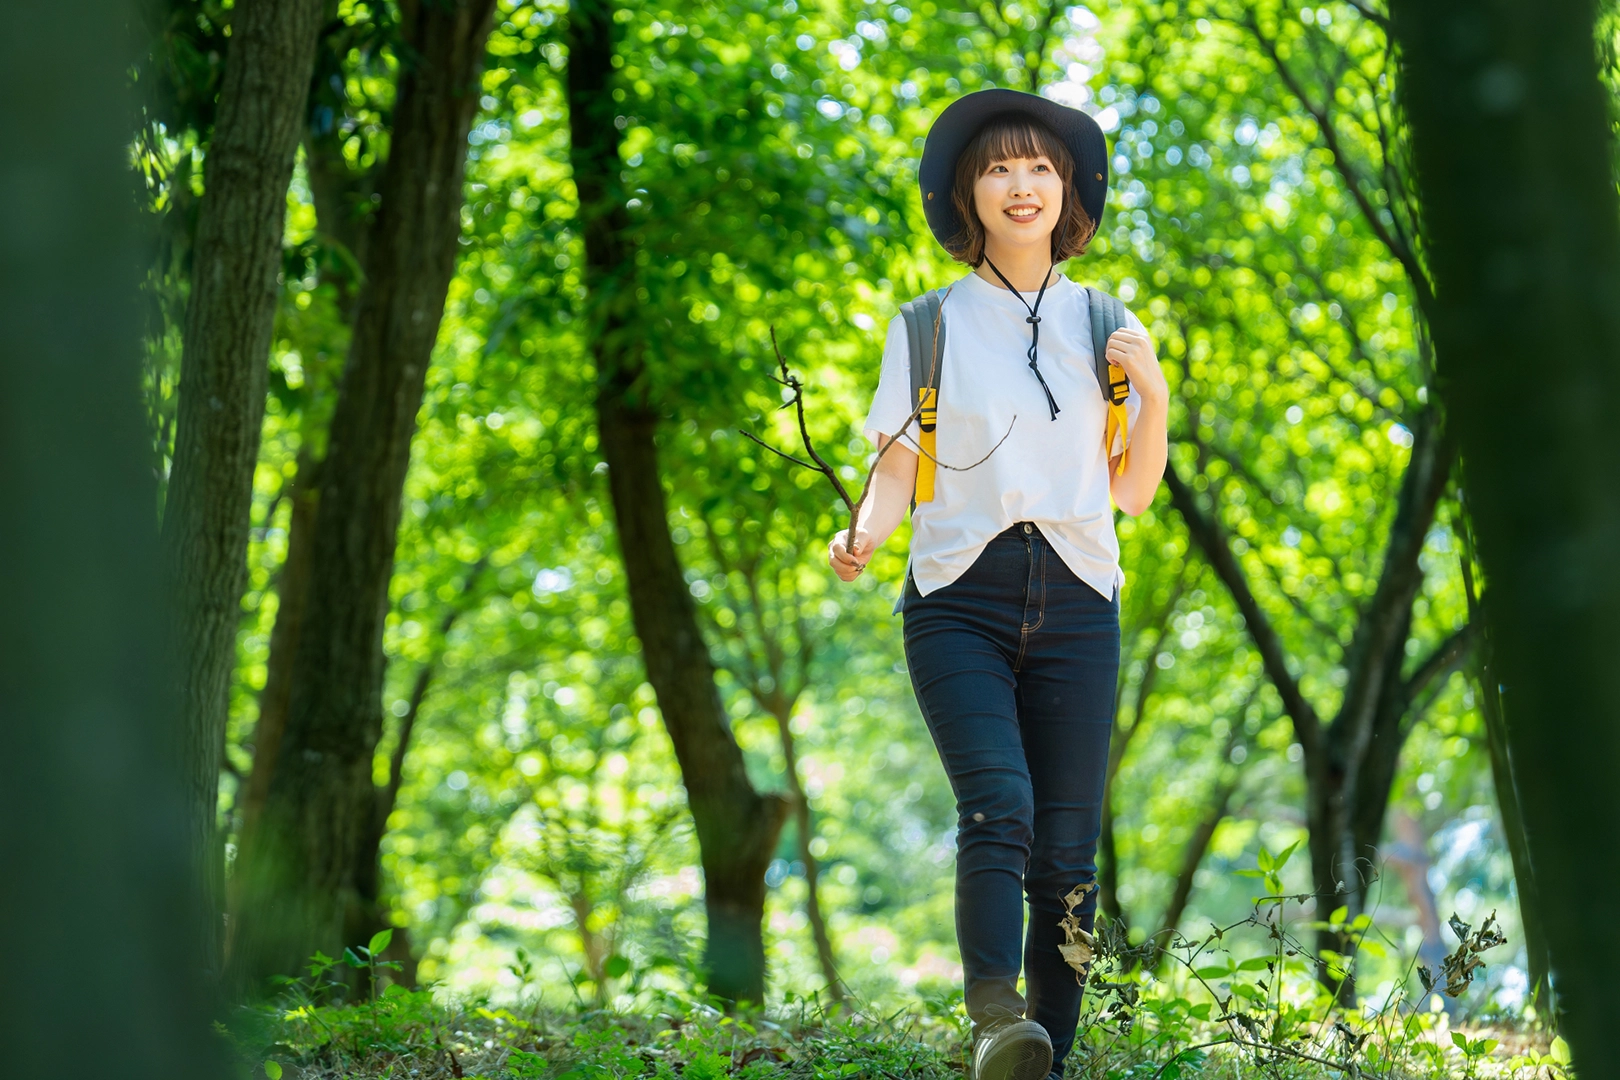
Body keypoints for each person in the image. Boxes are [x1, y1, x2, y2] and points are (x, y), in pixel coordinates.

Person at [828, 89, 1168, 1080]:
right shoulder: (926, 326)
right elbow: (896, 468)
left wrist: (1154, 396)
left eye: (1041, 168)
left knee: (1067, 854)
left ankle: (1043, 1063)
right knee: (999, 808)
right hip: (956, 598)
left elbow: (1134, 495)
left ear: (1068, 193)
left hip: (1078, 600)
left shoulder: (1108, 323)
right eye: (999, 168)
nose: (1023, 185)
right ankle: (994, 1022)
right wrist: (862, 533)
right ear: (966, 195)